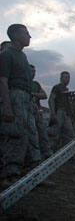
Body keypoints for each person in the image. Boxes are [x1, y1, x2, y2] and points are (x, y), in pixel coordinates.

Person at [0, 24, 41, 187]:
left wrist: (32, 103)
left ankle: (30, 172)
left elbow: (27, 85)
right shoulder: (6, 55)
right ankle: (10, 175)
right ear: (16, 35)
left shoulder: (23, 57)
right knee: (14, 134)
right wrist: (8, 108)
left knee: (29, 134)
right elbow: (2, 82)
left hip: (26, 98)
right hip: (14, 97)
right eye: (26, 33)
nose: (29, 36)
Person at [30, 64, 53, 160]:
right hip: (27, 112)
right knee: (32, 135)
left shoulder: (35, 84)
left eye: (34, 71)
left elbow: (44, 95)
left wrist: (33, 94)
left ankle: (47, 153)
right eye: (31, 71)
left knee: (42, 133)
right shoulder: (22, 83)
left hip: (37, 112)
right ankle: (34, 157)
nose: (33, 73)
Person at [48, 71, 74, 150]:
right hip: (59, 112)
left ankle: (65, 153)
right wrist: (53, 113)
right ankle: (51, 153)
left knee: (68, 134)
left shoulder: (66, 89)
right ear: (61, 78)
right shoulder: (57, 87)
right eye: (65, 77)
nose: (67, 79)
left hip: (66, 113)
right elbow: (51, 100)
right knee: (55, 134)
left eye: (68, 77)